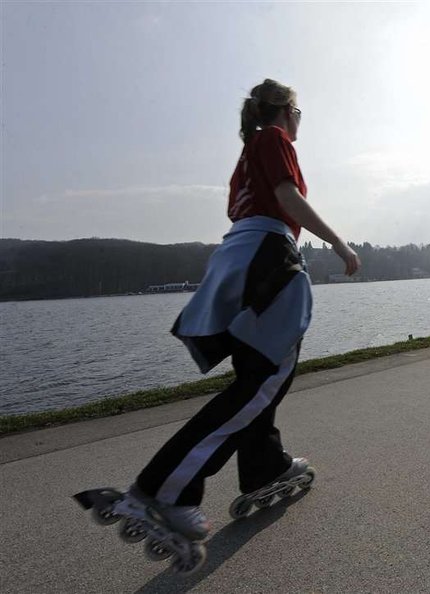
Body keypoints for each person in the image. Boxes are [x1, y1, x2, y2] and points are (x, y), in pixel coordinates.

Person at [128, 79, 361, 540]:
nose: (299, 122)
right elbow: (288, 198)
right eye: (299, 113)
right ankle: (165, 490)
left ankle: (264, 466)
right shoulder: (273, 138)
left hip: (238, 257)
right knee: (268, 376)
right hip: (267, 256)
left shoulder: (247, 153)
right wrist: (338, 243)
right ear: (286, 111)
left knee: (259, 374)